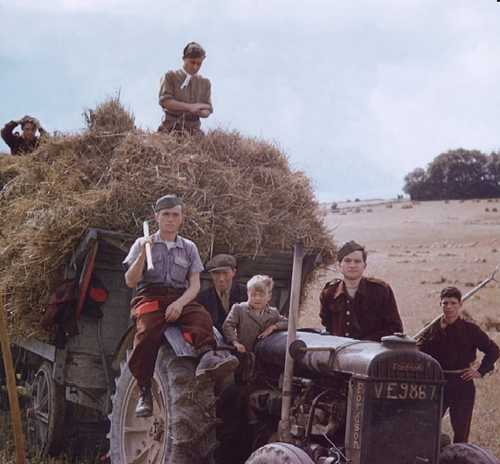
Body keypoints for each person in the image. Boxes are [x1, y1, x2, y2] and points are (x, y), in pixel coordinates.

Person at [123, 194, 238, 417]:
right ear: (157, 217)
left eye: (175, 215)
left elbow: (194, 285)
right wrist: (142, 256)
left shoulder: (189, 247)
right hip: (150, 296)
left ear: (181, 218)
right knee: (146, 333)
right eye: (166, 214)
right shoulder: (142, 243)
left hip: (179, 296)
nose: (170, 219)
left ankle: (208, 359)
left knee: (202, 319)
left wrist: (179, 303)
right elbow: (131, 280)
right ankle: (144, 389)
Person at [417, 286, 499, 443]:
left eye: (453, 303)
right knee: (425, 427)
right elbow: (418, 351)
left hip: (462, 384)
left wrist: (480, 371)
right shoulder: (431, 328)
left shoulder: (471, 329)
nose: (449, 307)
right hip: (436, 384)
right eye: (445, 303)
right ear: (440, 304)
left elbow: (493, 350)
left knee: (461, 433)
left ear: (460, 305)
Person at [319, 240, 403, 341]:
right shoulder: (329, 293)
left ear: (364, 266)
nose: (352, 265)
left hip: (374, 352)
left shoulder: (380, 291)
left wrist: (365, 343)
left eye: (357, 261)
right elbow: (327, 325)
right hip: (340, 352)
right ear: (339, 265)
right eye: (347, 261)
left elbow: (395, 329)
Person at [158, 41, 213, 135]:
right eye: (192, 62)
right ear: (184, 59)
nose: (195, 67)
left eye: (199, 64)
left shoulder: (205, 83)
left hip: (194, 131)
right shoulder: (170, 76)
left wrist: (199, 110)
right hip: (171, 128)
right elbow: (166, 101)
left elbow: (208, 108)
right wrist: (190, 107)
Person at [223, 275, 288, 353]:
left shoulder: (273, 312)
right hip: (243, 353)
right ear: (248, 294)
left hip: (264, 356)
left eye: (261, 295)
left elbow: (288, 323)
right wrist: (235, 343)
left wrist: (273, 327)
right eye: (253, 295)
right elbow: (227, 325)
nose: (257, 298)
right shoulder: (239, 309)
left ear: (269, 296)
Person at [197, 254, 247, 332]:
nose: (221, 279)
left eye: (225, 273)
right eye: (216, 273)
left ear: (233, 272)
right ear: (211, 275)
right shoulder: (202, 298)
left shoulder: (246, 293)